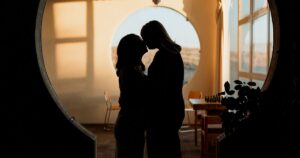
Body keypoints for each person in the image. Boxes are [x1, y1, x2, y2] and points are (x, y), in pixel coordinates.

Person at [140, 20, 185, 158]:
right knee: (171, 147)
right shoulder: (174, 53)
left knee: (159, 149)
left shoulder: (163, 56)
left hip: (162, 113)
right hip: (174, 108)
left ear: (154, 36)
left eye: (146, 37)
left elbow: (158, 87)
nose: (145, 43)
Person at [114, 34, 148, 158]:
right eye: (140, 42)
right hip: (130, 126)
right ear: (133, 49)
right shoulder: (130, 72)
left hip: (130, 124)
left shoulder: (131, 69)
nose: (143, 43)